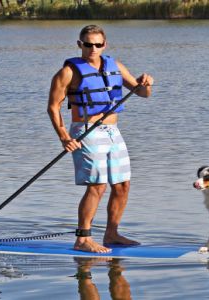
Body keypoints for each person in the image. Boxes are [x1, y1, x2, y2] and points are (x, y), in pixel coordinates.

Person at [47, 25, 154, 253]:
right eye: (87, 44)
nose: (92, 48)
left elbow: (142, 93)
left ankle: (112, 234)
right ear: (80, 45)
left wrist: (147, 83)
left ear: (104, 45)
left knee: (122, 185)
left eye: (97, 44)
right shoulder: (68, 72)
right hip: (86, 131)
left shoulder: (114, 66)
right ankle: (83, 238)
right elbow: (53, 107)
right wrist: (64, 137)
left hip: (113, 131)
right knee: (97, 186)